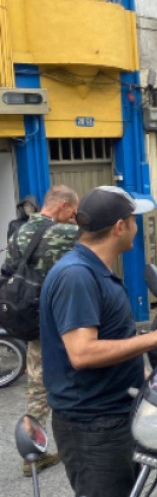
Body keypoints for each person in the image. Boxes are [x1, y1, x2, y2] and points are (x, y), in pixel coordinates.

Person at [40, 186, 157, 497]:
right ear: (120, 227)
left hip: (114, 414)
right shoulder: (77, 276)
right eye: (135, 221)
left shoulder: (96, 270)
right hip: (92, 425)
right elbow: (82, 353)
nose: (137, 228)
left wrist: (148, 378)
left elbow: (108, 344)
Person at [3, 185, 79, 475]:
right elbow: (98, 240)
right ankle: (77, 441)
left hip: (28, 317)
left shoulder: (18, 231)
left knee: (37, 384)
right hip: (60, 320)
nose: (74, 218)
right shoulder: (65, 233)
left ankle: (32, 453)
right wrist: (76, 225)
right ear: (62, 207)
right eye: (72, 212)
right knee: (74, 377)